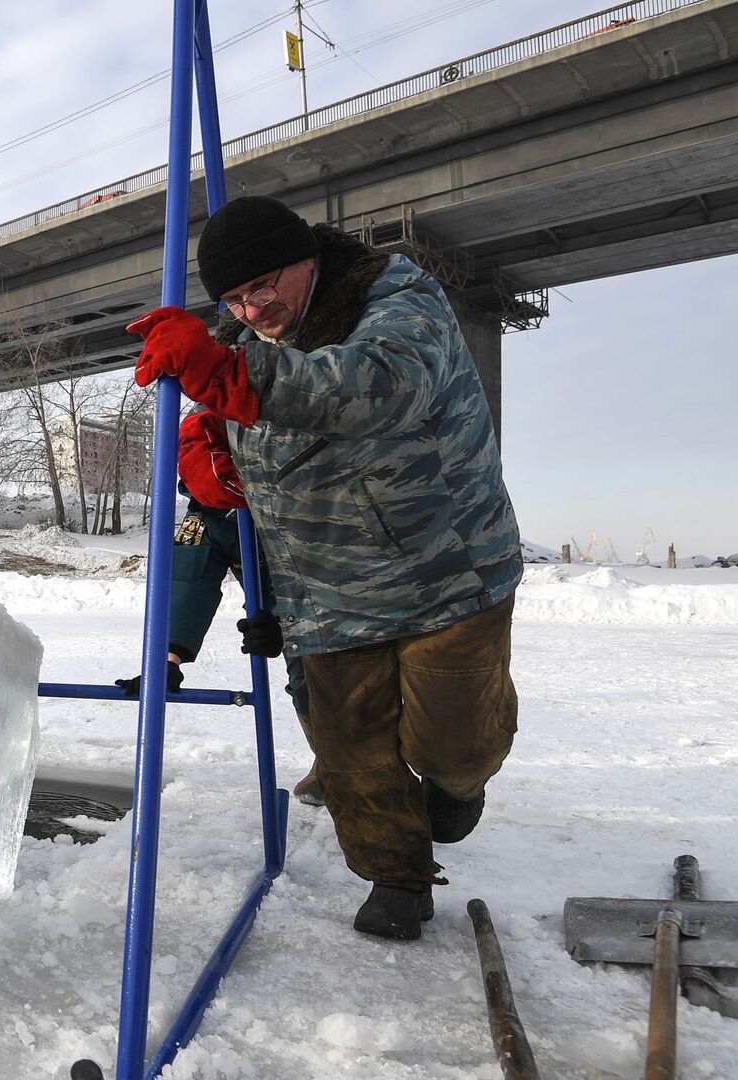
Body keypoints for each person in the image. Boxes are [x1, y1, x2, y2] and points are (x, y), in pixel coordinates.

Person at [131, 195, 522, 941]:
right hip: (326, 591)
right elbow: (233, 457)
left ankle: (458, 785)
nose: (253, 308)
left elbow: (378, 385)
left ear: (307, 256)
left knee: (453, 743)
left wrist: (229, 378)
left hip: (445, 575)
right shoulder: (242, 340)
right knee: (349, 752)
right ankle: (396, 878)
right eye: (236, 300)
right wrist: (211, 453)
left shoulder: (399, 299)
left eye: (265, 285)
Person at [115, 408, 321, 806]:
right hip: (292, 615)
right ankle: (335, 763)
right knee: (308, 682)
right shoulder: (208, 512)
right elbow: (189, 578)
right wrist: (168, 656)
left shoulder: (299, 480)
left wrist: (287, 619)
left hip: (345, 595)